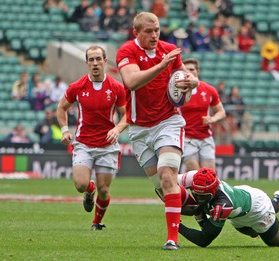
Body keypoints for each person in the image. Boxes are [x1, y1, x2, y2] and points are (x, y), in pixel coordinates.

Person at [115, 12, 199, 250]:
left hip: (168, 122)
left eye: (157, 30)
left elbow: (186, 76)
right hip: (139, 129)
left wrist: (192, 82)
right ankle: (204, 203)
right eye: (149, 32)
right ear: (136, 33)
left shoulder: (169, 50)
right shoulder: (127, 52)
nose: (154, 35)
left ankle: (172, 238)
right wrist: (162, 65)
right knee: (164, 188)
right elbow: (131, 82)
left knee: (167, 176)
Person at [56, 45, 127, 231]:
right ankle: (89, 190)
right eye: (91, 59)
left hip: (107, 145)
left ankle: (97, 222)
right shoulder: (77, 86)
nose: (95, 63)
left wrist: (118, 129)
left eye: (98, 59)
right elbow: (61, 108)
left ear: (105, 61)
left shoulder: (116, 87)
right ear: (87, 62)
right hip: (84, 143)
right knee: (80, 184)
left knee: (104, 190)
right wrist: (64, 130)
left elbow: (127, 114)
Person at [177, 168, 279, 248]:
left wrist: (176, 225)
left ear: (213, 191)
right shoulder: (196, 179)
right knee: (253, 234)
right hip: (241, 209)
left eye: (203, 196)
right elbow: (166, 181)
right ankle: (278, 202)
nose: (198, 198)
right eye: (195, 194)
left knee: (278, 241)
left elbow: (204, 240)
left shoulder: (222, 206)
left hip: (258, 210)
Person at [179, 58, 226, 172]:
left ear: (197, 71)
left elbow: (221, 112)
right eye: (186, 69)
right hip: (187, 138)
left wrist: (212, 119)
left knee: (208, 177)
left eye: (192, 69)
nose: (189, 72)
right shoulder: (177, 91)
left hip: (205, 138)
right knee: (196, 174)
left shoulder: (209, 89)